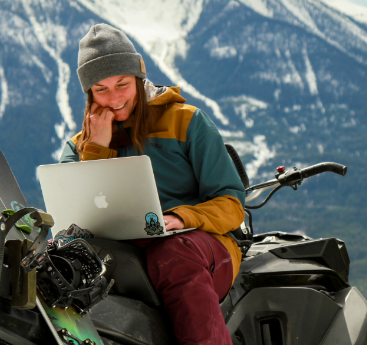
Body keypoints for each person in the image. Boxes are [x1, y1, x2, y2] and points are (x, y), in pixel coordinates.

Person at [59, 23, 246, 345]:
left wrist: (181, 218)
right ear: (89, 94)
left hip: (199, 247)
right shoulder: (79, 146)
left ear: (139, 78)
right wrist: (97, 149)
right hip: (119, 251)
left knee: (172, 252)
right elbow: (75, 213)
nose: (114, 99)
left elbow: (231, 205)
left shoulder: (187, 121)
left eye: (122, 84)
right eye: (101, 90)